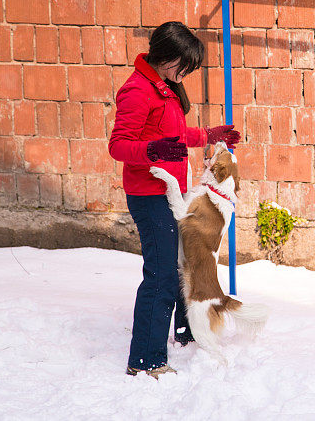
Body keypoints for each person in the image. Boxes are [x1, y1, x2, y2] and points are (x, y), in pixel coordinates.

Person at [108, 21, 241, 378]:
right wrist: (152, 149)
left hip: (170, 191)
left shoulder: (163, 87)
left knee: (181, 265)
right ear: (167, 58)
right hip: (148, 195)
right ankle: (146, 359)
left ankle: (186, 334)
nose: (186, 74)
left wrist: (211, 135)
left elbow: (176, 135)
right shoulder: (137, 90)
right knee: (161, 274)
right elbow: (118, 146)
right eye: (185, 67)